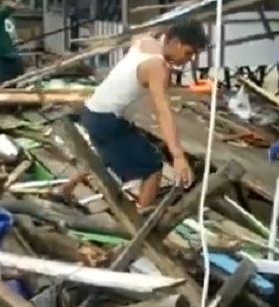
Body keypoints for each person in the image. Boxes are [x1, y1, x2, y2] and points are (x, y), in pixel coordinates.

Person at [80, 21, 209, 212]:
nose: (188, 60)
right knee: (153, 167)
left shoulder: (145, 42)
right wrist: (178, 155)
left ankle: (65, 189)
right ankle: (141, 223)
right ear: (174, 41)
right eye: (188, 52)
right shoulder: (157, 67)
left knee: (104, 156)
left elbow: (144, 33)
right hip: (105, 120)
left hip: (91, 110)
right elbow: (163, 111)